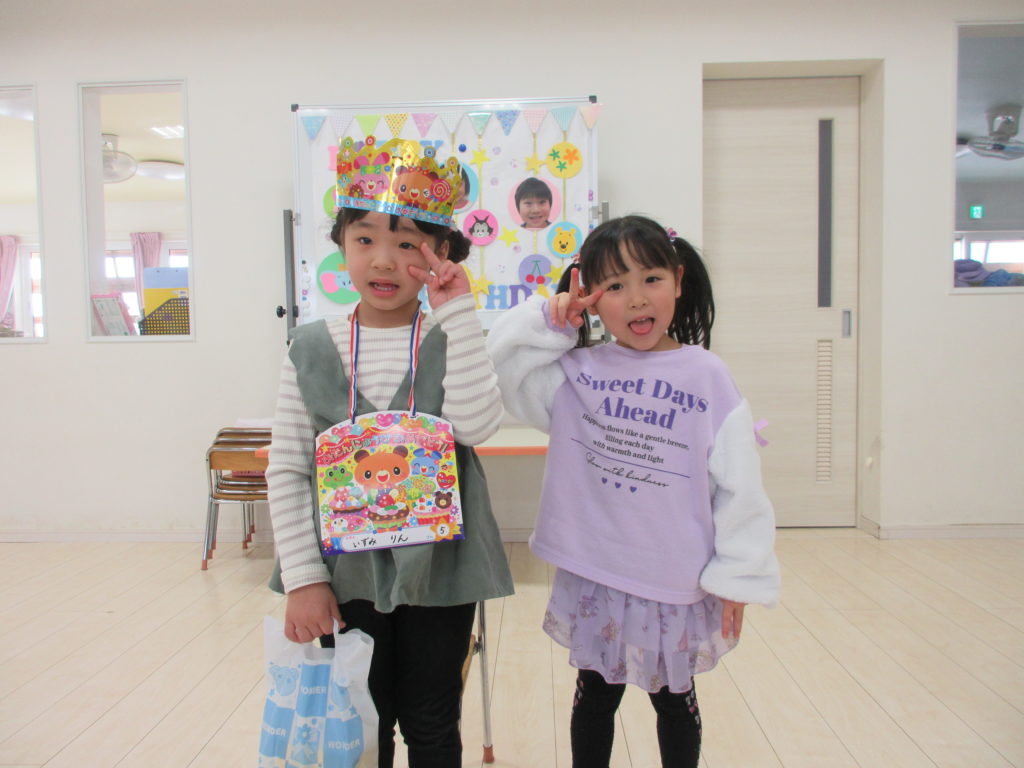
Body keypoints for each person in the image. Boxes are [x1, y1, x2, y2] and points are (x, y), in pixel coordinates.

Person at [486, 214, 779, 768]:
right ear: (592, 299)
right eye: (615, 285)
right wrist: (549, 319)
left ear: (679, 280)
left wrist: (739, 573)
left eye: (651, 279)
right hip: (597, 573)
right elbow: (501, 370)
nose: (637, 299)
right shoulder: (575, 374)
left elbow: (740, 487)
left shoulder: (708, 375)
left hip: (674, 577)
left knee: (674, 701)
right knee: (595, 698)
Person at [267, 136, 514, 768]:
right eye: (365, 239)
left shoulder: (451, 335)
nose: (383, 259)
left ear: (440, 254)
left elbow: (477, 426)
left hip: (441, 569)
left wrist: (458, 313)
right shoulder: (310, 348)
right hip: (342, 571)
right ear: (341, 246)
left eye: (408, 244)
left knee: (432, 719)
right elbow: (288, 468)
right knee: (357, 721)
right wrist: (302, 578)